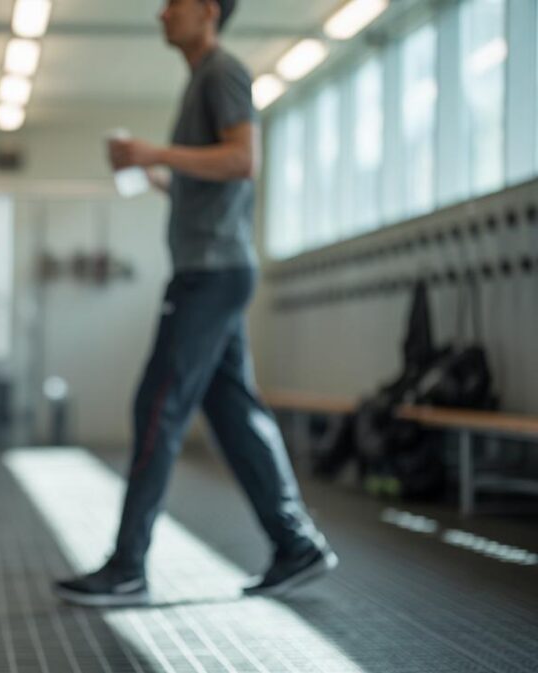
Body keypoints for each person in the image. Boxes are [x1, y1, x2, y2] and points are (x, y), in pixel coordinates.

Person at [53, 0, 336, 607]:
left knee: (158, 405)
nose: (161, 14)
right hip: (214, 270)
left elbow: (242, 160)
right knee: (234, 413)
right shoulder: (201, 81)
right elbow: (207, 178)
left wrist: (156, 153)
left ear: (207, 10)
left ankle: (128, 566)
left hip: (210, 276)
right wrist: (152, 173)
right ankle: (296, 543)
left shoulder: (222, 71)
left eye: (173, 4)